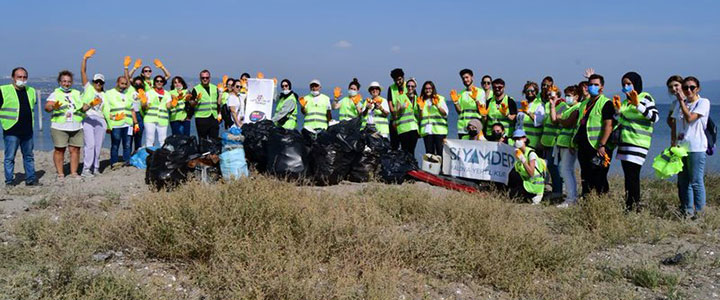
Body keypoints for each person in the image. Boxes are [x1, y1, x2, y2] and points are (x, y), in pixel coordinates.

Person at [616, 72, 659, 211]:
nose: (626, 87)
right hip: (625, 143)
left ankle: (634, 206)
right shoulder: (625, 102)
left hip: (638, 143)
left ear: (636, 83)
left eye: (629, 84)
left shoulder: (645, 97)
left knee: (633, 176)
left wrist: (638, 105)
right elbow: (622, 121)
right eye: (624, 84)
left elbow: (654, 117)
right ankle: (629, 204)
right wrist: (617, 111)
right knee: (628, 176)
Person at [671, 76, 710, 218]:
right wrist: (673, 143)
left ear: (697, 89)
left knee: (696, 181)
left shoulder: (703, 102)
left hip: (697, 147)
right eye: (686, 87)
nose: (688, 90)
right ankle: (688, 211)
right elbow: (675, 124)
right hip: (682, 147)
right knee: (683, 181)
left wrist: (682, 101)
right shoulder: (680, 104)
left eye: (692, 87)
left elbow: (690, 118)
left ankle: (700, 213)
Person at [575, 74, 615, 196]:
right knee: (585, 175)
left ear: (601, 87)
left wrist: (602, 145)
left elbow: (609, 125)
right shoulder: (584, 103)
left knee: (599, 175)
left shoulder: (606, 103)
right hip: (584, 146)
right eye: (590, 84)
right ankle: (587, 201)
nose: (593, 87)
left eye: (596, 85)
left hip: (598, 146)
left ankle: (602, 203)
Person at [45, 70, 86, 180]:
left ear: (71, 82)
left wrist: (91, 104)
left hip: (76, 125)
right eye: (64, 81)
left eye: (68, 81)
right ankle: (60, 174)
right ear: (59, 81)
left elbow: (82, 108)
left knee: (75, 149)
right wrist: (53, 106)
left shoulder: (77, 93)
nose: (66, 84)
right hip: (60, 126)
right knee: (60, 149)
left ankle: (73, 172)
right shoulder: (55, 93)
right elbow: (47, 107)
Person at [1, 67, 38, 186]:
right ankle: (9, 181)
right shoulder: (3, 90)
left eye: (24, 77)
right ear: (13, 78)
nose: (22, 79)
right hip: (11, 130)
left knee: (29, 156)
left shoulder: (31, 90)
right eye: (19, 77)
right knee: (9, 157)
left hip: (27, 130)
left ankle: (31, 179)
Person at [553, 85, 584, 208]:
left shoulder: (577, 108)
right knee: (564, 170)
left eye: (569, 96)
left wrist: (561, 119)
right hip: (563, 143)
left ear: (576, 97)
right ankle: (570, 197)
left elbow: (568, 122)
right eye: (566, 95)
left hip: (569, 145)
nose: (567, 98)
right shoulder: (568, 108)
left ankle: (571, 199)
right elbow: (557, 119)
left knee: (567, 170)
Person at [80, 49, 106, 177]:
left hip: (101, 120)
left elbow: (107, 111)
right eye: (97, 81)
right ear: (94, 82)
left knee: (98, 146)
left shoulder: (105, 95)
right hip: (88, 118)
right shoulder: (88, 88)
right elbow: (83, 72)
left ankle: (96, 168)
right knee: (90, 145)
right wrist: (85, 59)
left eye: (101, 82)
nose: (98, 84)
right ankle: (86, 169)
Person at [102, 76, 135, 166]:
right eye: (122, 83)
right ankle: (114, 163)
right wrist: (109, 123)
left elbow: (132, 109)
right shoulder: (109, 93)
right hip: (115, 124)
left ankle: (126, 162)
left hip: (128, 123)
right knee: (115, 144)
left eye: (125, 84)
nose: (123, 86)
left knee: (127, 145)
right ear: (117, 83)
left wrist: (135, 123)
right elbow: (106, 109)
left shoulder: (128, 94)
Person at [540, 85, 566, 197]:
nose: (549, 95)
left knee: (554, 166)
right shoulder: (547, 105)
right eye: (548, 93)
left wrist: (553, 106)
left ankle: (558, 191)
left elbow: (555, 121)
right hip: (547, 141)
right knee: (551, 166)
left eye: (552, 93)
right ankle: (556, 189)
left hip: (556, 141)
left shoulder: (562, 106)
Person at [507, 129, 545, 204]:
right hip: (526, 181)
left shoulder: (531, 153)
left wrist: (523, 160)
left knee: (514, 195)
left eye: (519, 139)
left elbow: (531, 173)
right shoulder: (518, 152)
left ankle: (537, 195)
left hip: (534, 185)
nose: (517, 141)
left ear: (525, 139)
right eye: (515, 139)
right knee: (512, 174)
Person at [451, 69, 485, 139]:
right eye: (463, 78)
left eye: (467, 77)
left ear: (472, 77)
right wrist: (455, 102)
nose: (465, 80)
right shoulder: (461, 93)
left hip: (474, 128)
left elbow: (481, 111)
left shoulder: (480, 92)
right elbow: (459, 111)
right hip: (462, 128)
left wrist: (476, 100)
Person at [416, 81, 448, 155]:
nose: (428, 90)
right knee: (429, 154)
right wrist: (420, 109)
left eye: (430, 88)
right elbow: (420, 118)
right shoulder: (421, 100)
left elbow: (445, 113)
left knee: (440, 153)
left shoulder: (440, 98)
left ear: (433, 89)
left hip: (439, 131)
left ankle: (441, 166)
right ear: (423, 90)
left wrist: (437, 105)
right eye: (426, 88)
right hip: (427, 131)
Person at [188, 70, 220, 140]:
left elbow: (218, 103)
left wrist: (219, 114)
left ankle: (215, 151)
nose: (205, 79)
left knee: (215, 139)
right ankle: (203, 151)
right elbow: (192, 104)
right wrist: (195, 101)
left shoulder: (215, 88)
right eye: (203, 78)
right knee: (203, 140)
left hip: (213, 117)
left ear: (209, 78)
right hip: (201, 118)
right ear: (200, 78)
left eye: (207, 77)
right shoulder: (196, 89)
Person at [143, 75, 171, 147]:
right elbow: (145, 106)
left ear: (163, 83)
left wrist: (174, 101)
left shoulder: (167, 94)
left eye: (161, 81)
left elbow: (168, 106)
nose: (159, 83)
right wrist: (144, 102)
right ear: (154, 83)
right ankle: (149, 155)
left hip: (162, 119)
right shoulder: (149, 92)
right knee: (150, 138)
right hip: (150, 119)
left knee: (163, 140)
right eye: (157, 81)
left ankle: (162, 155)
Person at [517, 81, 544, 148]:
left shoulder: (539, 105)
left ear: (536, 92)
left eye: (532, 90)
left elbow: (539, 122)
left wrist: (528, 113)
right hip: (521, 142)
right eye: (527, 90)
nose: (529, 92)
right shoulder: (524, 104)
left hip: (532, 143)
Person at [387, 68, 407, 150]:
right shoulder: (391, 88)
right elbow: (390, 106)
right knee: (394, 146)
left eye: (399, 79)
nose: (398, 82)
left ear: (403, 77)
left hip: (406, 122)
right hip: (394, 120)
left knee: (406, 147)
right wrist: (396, 114)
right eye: (395, 80)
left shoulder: (409, 86)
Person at [128, 76, 146, 151]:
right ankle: (128, 156)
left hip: (139, 115)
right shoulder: (130, 89)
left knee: (138, 136)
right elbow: (127, 77)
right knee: (129, 137)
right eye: (136, 82)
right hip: (130, 114)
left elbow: (144, 106)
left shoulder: (143, 92)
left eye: (140, 82)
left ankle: (137, 153)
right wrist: (128, 68)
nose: (138, 84)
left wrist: (143, 100)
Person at [666, 75, 684, 146]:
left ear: (682, 85)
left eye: (676, 85)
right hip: (678, 141)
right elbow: (670, 121)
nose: (673, 88)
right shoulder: (674, 103)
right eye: (670, 87)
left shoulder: (690, 101)